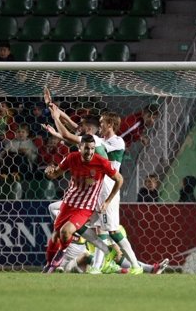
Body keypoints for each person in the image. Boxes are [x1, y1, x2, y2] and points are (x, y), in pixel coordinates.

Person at [44, 91, 144, 275]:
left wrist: (57, 117)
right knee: (86, 226)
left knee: (111, 230)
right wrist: (56, 111)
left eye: (103, 121)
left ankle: (133, 265)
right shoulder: (98, 140)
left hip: (107, 188)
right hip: (95, 189)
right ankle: (101, 264)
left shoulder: (116, 142)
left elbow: (72, 134)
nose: (100, 123)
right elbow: (76, 130)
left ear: (110, 125)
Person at [43, 134, 123, 273]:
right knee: (56, 235)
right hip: (69, 202)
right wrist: (48, 172)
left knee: (65, 231)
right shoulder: (71, 158)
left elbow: (119, 179)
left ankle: (63, 252)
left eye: (92, 149)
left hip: (85, 207)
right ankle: (49, 265)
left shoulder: (101, 162)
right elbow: (55, 174)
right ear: (80, 148)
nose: (90, 152)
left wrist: (108, 200)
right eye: (87, 148)